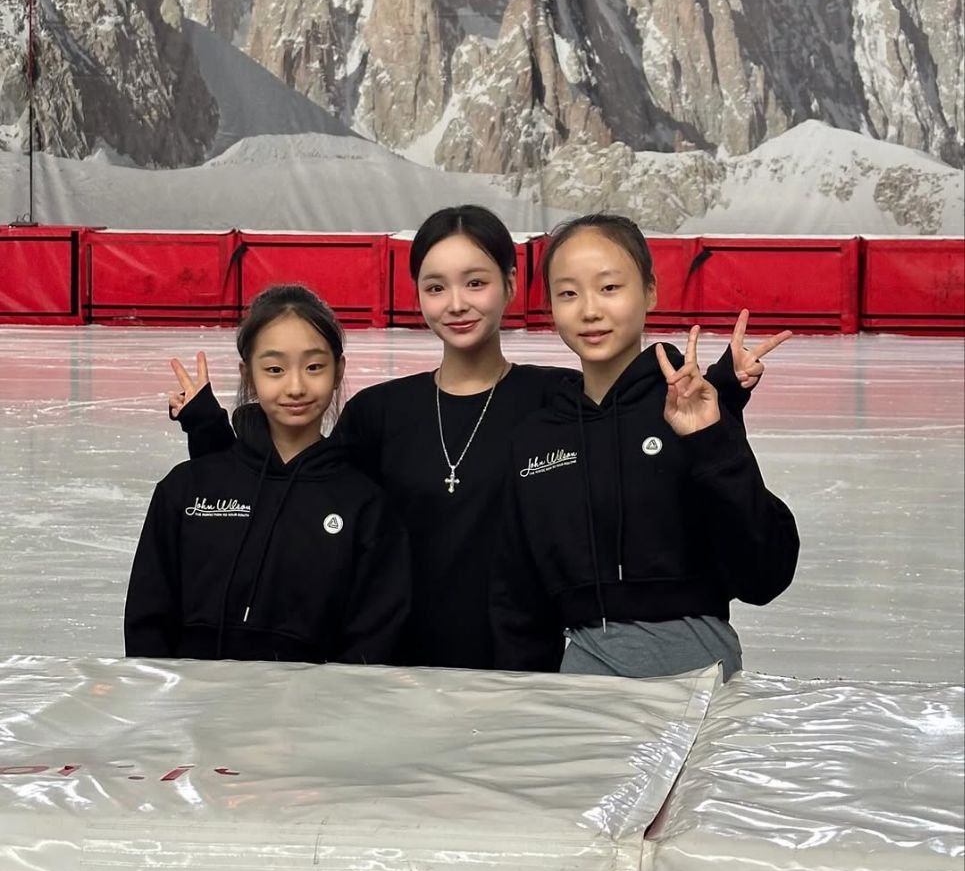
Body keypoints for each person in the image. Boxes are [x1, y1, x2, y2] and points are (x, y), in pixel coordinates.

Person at [170, 206, 787, 669]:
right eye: (435, 286)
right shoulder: (381, 413)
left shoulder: (558, 402)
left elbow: (641, 429)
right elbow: (300, 492)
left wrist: (722, 397)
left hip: (534, 673)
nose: (456, 303)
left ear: (512, 286)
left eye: (476, 282)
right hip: (401, 668)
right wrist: (209, 434)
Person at [490, 214, 800, 679]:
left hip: (696, 671)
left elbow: (765, 574)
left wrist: (710, 439)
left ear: (650, 291)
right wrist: (523, 693)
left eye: (609, 288)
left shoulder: (694, 410)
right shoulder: (538, 435)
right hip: (582, 683)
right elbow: (517, 598)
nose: (589, 310)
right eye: (568, 293)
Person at [125, 285, 409, 664]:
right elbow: (148, 620)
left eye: (314, 367)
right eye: (275, 369)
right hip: (197, 698)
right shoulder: (185, 488)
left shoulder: (364, 504)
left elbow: (374, 638)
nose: (296, 387)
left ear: (339, 371)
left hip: (316, 701)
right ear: (248, 374)